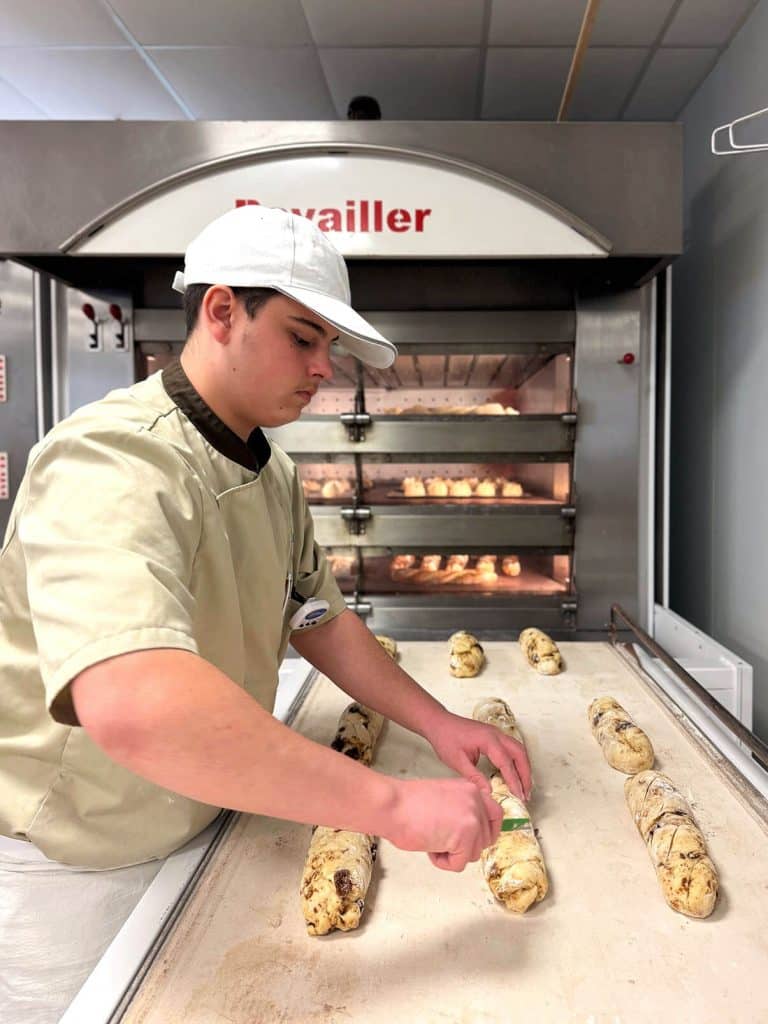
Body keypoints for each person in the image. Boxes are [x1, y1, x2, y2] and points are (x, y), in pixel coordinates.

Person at [0, 205, 531, 1023]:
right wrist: (393, 806)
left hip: (204, 815)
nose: (326, 368)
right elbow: (133, 706)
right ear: (220, 312)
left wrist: (438, 722)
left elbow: (317, 617)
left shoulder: (269, 469)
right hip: (79, 858)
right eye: (302, 337)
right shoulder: (110, 460)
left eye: (331, 346)